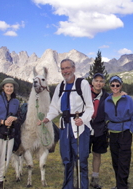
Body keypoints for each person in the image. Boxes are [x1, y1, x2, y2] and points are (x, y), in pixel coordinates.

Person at [41, 58, 94, 189]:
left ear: (74, 68)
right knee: (67, 159)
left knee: (81, 159)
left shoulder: (82, 84)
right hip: (65, 127)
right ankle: (68, 186)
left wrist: (83, 119)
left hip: (80, 126)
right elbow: (54, 107)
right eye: (63, 69)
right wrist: (47, 118)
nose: (65, 71)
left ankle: (82, 186)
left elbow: (89, 107)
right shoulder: (60, 87)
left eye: (67, 68)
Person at [0, 78, 25, 189]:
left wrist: (14, 118)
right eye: (7, 86)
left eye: (11, 86)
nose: (9, 88)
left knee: (5, 160)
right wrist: (2, 122)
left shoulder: (16, 102)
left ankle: (0, 182)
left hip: (9, 135)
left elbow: (20, 118)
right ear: (3, 87)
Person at [89, 73, 126, 189]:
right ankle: (81, 179)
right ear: (92, 82)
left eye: (101, 81)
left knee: (97, 154)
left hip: (100, 129)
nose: (98, 83)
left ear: (104, 84)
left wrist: (122, 94)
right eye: (96, 81)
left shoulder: (107, 97)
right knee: (83, 154)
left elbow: (116, 97)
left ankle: (94, 179)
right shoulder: (84, 94)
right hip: (85, 128)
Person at [104, 75, 133, 189]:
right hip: (113, 133)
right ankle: (119, 184)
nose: (115, 87)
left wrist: (132, 130)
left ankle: (122, 186)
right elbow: (104, 116)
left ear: (121, 86)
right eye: (113, 85)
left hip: (125, 132)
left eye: (117, 85)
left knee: (124, 160)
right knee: (115, 161)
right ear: (110, 86)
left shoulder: (127, 99)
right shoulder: (107, 100)